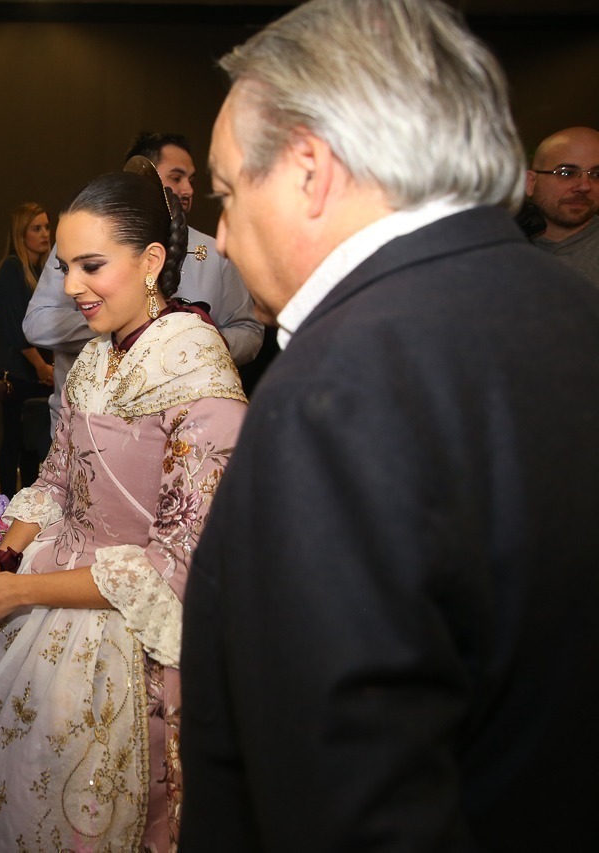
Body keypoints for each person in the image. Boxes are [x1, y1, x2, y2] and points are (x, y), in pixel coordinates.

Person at [180, 2, 599, 851]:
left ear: (308, 167)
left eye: (226, 192)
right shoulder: (575, 315)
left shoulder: (334, 390)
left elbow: (347, 803)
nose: (219, 237)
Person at [0, 160, 248, 852]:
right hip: (47, 585)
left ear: (153, 260)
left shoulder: (201, 370)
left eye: (90, 265)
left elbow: (177, 563)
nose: (70, 286)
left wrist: (21, 589)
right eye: (65, 265)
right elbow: (55, 482)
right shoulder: (97, 358)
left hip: (135, 639)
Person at [24, 132, 262, 431]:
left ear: (153, 260)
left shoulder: (216, 253)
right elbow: (36, 323)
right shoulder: (86, 370)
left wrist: (196, 344)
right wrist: (124, 327)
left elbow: (249, 332)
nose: (187, 189)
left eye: (191, 179)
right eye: (176, 177)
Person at [0, 201, 54, 496]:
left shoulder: (43, 270)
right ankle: (4, 506)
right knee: (14, 442)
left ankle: (27, 506)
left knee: (32, 445)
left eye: (46, 227)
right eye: (36, 228)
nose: (45, 234)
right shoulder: (12, 268)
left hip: (40, 375)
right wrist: (41, 366)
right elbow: (15, 327)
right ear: (21, 233)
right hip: (20, 374)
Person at [525, 126, 599, 286]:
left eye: (597, 175)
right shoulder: (494, 246)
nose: (585, 186)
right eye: (566, 173)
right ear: (531, 182)